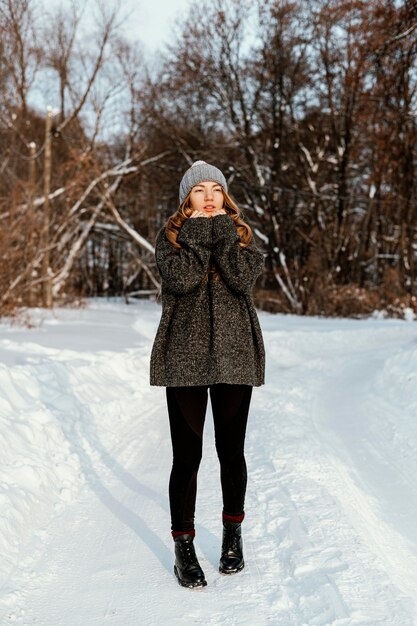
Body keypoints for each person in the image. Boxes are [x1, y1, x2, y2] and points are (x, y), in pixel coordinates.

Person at [150, 160, 265, 589]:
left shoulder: (242, 238)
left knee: (231, 451)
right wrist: (200, 234)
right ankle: (184, 546)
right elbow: (182, 279)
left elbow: (239, 278)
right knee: (188, 455)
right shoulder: (171, 240)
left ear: (225, 196)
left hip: (235, 355)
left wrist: (221, 235)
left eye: (216, 188)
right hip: (184, 357)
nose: (210, 196)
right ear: (186, 199)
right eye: (200, 190)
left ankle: (233, 536)